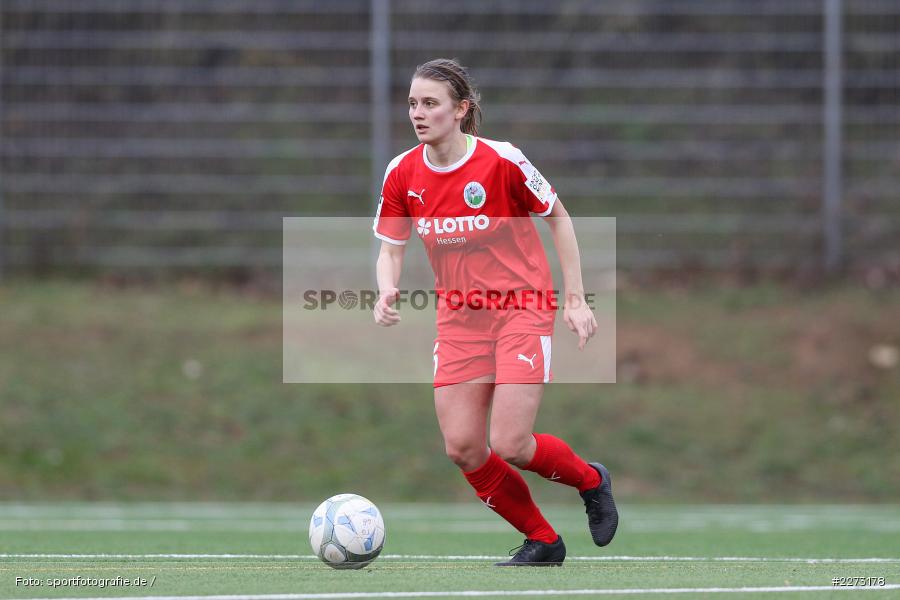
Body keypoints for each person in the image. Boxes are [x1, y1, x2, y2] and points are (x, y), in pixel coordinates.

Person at [371, 58, 617, 566]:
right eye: (413, 103)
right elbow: (392, 245)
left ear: (460, 110)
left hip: (520, 309)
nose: (418, 113)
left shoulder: (502, 161)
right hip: (459, 320)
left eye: (430, 103)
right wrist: (386, 288)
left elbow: (559, 217)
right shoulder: (402, 172)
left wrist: (574, 299)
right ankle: (544, 541)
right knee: (463, 447)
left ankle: (591, 481)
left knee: (511, 443)